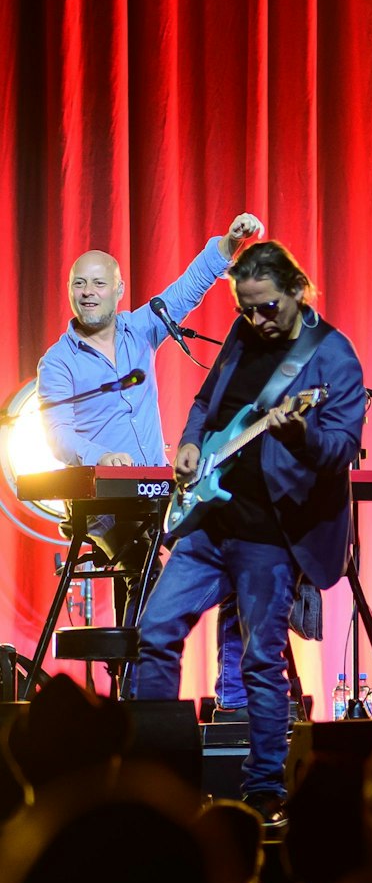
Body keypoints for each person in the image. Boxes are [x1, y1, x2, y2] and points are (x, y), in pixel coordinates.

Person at [133, 240, 366, 826]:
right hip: (212, 521)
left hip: (271, 534)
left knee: (261, 660)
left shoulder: (332, 357)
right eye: (245, 310)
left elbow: (339, 449)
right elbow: (210, 401)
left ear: (297, 292)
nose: (256, 321)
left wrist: (296, 434)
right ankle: (155, 776)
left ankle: (264, 791)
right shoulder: (242, 335)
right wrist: (189, 443)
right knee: (155, 630)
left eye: (267, 308)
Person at [37, 215, 266, 705]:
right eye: (79, 283)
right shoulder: (57, 362)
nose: (88, 292)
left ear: (119, 291)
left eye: (99, 283)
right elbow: (57, 436)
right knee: (154, 579)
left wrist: (228, 244)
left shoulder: (140, 329)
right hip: (102, 506)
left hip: (164, 496)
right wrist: (103, 458)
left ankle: (234, 698)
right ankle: (144, 712)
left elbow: (186, 290)